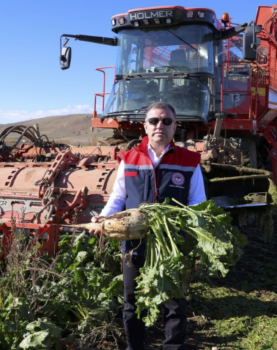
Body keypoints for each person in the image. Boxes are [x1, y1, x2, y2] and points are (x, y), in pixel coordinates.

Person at [91, 102, 206, 350]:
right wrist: (103, 217)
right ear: (145, 126)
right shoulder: (129, 159)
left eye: (166, 121)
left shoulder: (190, 161)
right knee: (132, 301)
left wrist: (188, 227)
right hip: (134, 244)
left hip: (170, 244)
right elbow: (118, 198)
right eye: (154, 121)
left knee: (174, 302)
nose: (159, 126)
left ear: (175, 126)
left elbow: (198, 202)